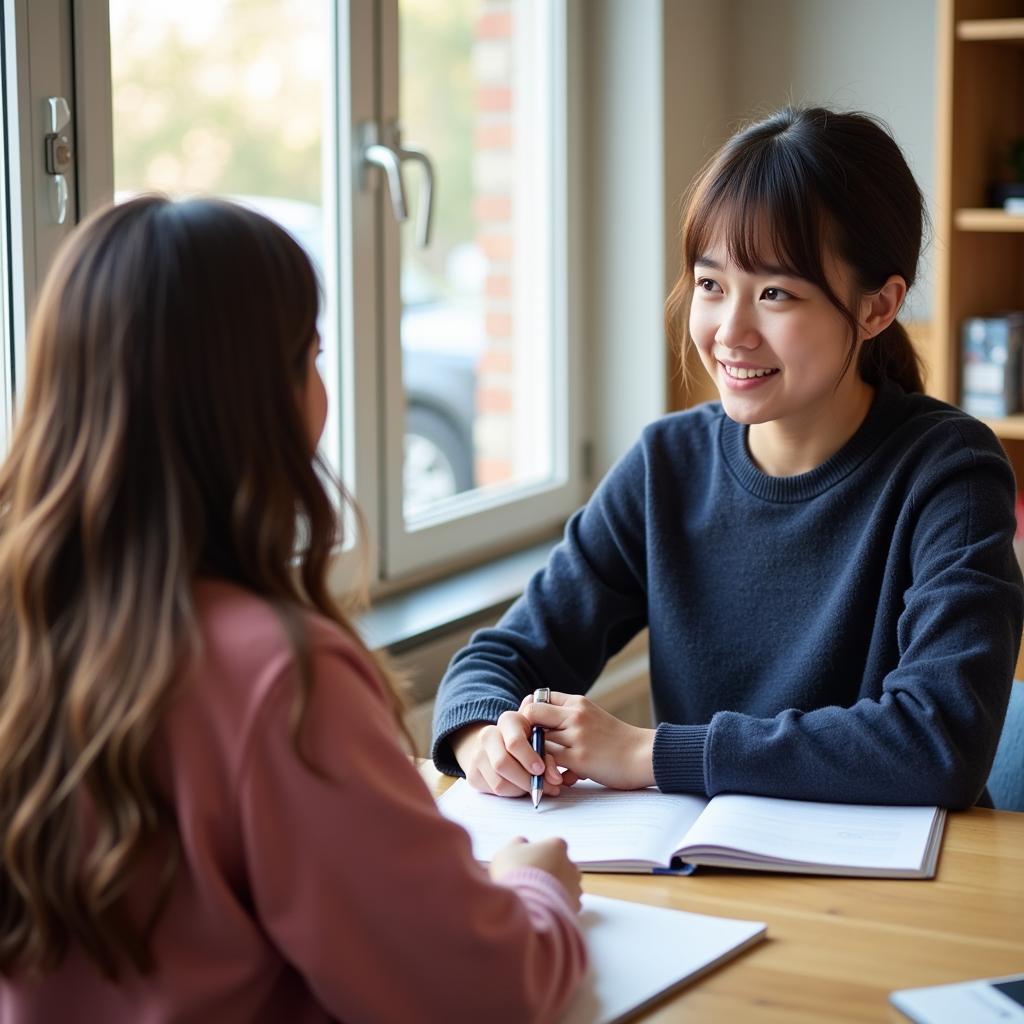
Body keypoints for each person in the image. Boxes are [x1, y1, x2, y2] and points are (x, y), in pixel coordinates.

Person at [0, 196, 586, 1023]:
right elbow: (479, 992)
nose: (322, 392)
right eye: (310, 355)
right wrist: (536, 889)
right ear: (252, 400)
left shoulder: (25, 622)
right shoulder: (278, 675)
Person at [432, 105, 1024, 810]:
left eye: (776, 293)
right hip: (711, 879)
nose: (730, 332)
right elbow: (499, 659)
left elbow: (939, 742)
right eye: (711, 286)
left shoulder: (949, 473)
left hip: (901, 894)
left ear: (877, 307)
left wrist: (648, 752)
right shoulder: (666, 466)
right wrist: (483, 737)